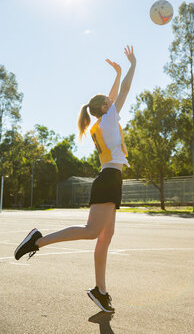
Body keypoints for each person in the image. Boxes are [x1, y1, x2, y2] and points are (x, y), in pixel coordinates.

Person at [14, 45, 136, 313]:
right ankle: (38, 240)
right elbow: (123, 92)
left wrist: (116, 73)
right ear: (105, 107)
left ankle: (100, 291)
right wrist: (131, 66)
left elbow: (114, 94)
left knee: (106, 237)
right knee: (93, 232)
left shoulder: (102, 121)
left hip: (111, 179)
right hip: (108, 180)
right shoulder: (108, 118)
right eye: (108, 100)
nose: (112, 101)